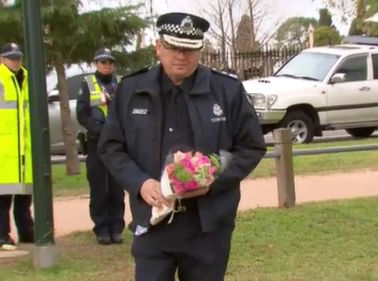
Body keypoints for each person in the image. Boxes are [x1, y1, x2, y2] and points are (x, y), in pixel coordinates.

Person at [98, 12, 266, 280]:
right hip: (153, 220)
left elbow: (251, 147)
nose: (181, 56)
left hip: (207, 226)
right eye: (174, 47)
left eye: (189, 49)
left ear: (199, 50)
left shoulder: (226, 91)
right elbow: (111, 147)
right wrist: (140, 183)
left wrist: (212, 175)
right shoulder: (131, 90)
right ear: (159, 47)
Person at [76, 48, 125, 245]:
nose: (107, 65)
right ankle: (102, 229)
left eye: (110, 62)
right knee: (98, 188)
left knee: (116, 189)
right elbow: (82, 114)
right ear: (96, 63)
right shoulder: (87, 84)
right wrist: (99, 130)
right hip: (96, 142)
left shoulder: (120, 83)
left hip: (117, 144)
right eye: (103, 62)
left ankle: (116, 228)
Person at [0, 43, 34, 248]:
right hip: (2, 149)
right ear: (1, 59)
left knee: (24, 196)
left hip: (24, 148)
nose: (15, 61)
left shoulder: (28, 79)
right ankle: (2, 235)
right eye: (11, 58)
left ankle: (26, 232)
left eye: (18, 57)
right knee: (2, 196)